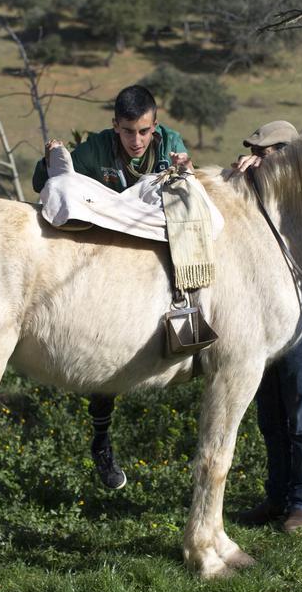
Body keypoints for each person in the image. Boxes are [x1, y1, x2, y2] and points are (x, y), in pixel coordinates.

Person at [32, 84, 192, 490]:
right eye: (126, 131)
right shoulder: (98, 149)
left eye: (142, 131)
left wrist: (183, 169)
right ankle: (101, 439)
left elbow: (183, 191)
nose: (135, 141)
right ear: (114, 127)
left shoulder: (170, 144)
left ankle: (188, 313)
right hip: (110, 248)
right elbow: (43, 180)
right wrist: (53, 156)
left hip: (153, 246)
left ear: (155, 126)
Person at [232, 121, 302, 533]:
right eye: (257, 151)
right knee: (270, 414)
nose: (259, 156)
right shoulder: (258, 189)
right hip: (264, 316)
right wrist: (241, 181)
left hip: (299, 314)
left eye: (266, 152)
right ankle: (277, 496)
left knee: (300, 412)